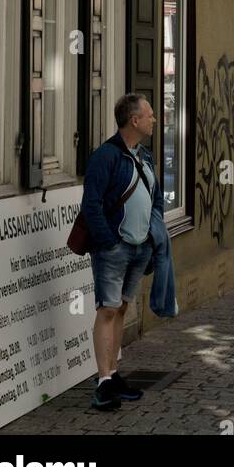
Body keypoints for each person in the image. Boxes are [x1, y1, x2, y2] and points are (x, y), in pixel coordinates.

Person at [81, 93, 165, 411]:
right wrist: (107, 242)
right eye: (150, 115)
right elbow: (91, 204)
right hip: (114, 248)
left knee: (120, 310)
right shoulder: (105, 156)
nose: (154, 120)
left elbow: (155, 197)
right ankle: (103, 382)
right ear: (134, 120)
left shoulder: (145, 156)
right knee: (106, 310)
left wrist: (152, 236)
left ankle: (113, 373)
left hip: (139, 247)